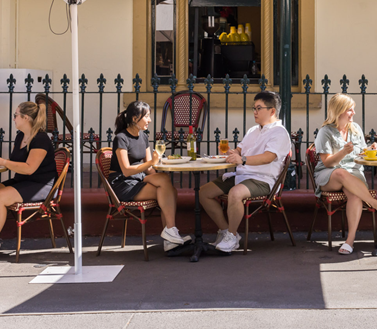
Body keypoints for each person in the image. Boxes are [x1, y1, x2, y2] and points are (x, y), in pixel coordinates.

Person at [199, 91, 291, 253]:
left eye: (259, 108)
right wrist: (231, 153)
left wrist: (242, 160)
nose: (255, 112)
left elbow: (268, 157)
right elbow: (240, 151)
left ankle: (231, 236)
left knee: (235, 193)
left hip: (263, 179)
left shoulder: (279, 132)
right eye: (254, 108)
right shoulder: (253, 130)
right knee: (203, 193)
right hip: (242, 175)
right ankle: (226, 232)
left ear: (272, 111)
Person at [313, 94, 377, 255]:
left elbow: (361, 153)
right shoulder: (325, 132)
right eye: (350, 110)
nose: (353, 113)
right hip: (330, 175)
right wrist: (343, 152)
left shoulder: (355, 128)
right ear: (339, 110)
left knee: (355, 195)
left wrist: (371, 149)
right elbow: (327, 163)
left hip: (354, 172)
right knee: (341, 173)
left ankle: (350, 241)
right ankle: (376, 204)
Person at [107, 100, 190, 248]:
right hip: (123, 183)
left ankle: (170, 235)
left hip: (138, 178)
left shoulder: (143, 136)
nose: (149, 120)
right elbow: (126, 170)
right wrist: (152, 162)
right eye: (146, 116)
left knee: (166, 183)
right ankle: (170, 235)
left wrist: (158, 174)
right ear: (134, 118)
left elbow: (149, 168)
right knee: (168, 192)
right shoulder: (121, 138)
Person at [0, 101, 58, 253]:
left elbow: (29, 168)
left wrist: (3, 162)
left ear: (26, 118)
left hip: (41, 185)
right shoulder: (21, 136)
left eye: (16, 115)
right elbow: (15, 162)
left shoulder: (40, 139)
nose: (13, 118)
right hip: (23, 181)